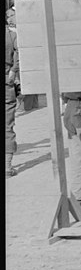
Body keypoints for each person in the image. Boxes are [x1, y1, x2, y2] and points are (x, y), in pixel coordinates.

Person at [6, 21, 18, 177]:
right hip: (6, 83)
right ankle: (7, 167)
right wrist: (14, 70)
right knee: (7, 126)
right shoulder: (12, 36)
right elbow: (20, 53)